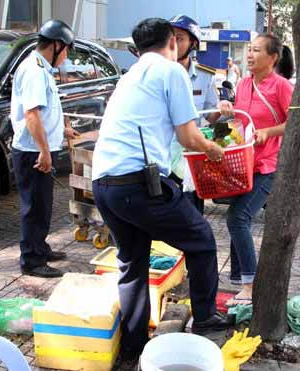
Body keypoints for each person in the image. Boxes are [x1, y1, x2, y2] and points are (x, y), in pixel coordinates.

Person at [91, 18, 232, 359]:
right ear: (172, 42)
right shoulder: (172, 72)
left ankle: (132, 347)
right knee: (201, 240)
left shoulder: (129, 76)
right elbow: (188, 136)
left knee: (132, 262)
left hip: (104, 184)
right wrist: (213, 150)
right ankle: (204, 319)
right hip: (138, 185)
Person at [218, 34, 294, 306]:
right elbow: (240, 121)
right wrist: (226, 111)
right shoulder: (244, 83)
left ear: (273, 57)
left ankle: (249, 287)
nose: (250, 55)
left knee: (238, 218)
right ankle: (241, 282)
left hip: (268, 165)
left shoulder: (282, 86)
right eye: (249, 50)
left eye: (257, 50)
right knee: (237, 218)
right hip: (244, 164)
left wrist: (268, 133)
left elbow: (297, 122)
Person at [10, 19, 80, 278]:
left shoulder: (40, 69)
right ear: (57, 45)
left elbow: (45, 111)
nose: (67, 56)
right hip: (32, 152)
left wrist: (62, 130)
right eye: (67, 50)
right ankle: (31, 260)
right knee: (34, 207)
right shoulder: (35, 71)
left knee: (43, 205)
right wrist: (44, 151)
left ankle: (40, 247)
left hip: (39, 147)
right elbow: (31, 115)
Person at [168, 14, 220, 213]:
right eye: (170, 37)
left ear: (193, 44)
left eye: (180, 38)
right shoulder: (158, 73)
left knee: (193, 215)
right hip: (161, 159)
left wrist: (223, 107)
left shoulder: (205, 76)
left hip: (191, 160)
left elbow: (211, 116)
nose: (173, 43)